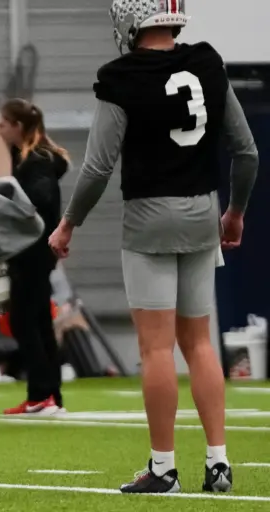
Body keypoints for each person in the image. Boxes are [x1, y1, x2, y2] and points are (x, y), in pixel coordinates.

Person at [48, 0, 258, 494]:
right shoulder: (207, 60)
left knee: (157, 347)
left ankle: (163, 467)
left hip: (149, 219)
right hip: (204, 212)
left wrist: (68, 224)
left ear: (128, 19)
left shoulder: (120, 76)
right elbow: (246, 151)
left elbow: (98, 167)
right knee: (201, 343)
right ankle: (218, 461)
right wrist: (236, 212)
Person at [0, 98, 69, 416]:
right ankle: (48, 393)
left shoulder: (35, 161)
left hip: (31, 251)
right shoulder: (30, 158)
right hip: (34, 251)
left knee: (26, 321)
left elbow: (40, 199)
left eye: (2, 124)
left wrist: (8, 198)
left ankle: (42, 393)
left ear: (17, 126)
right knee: (38, 321)